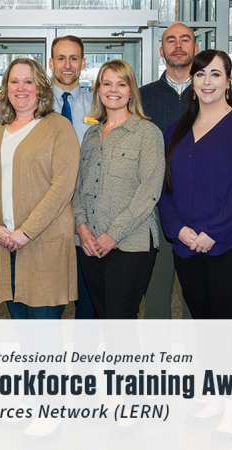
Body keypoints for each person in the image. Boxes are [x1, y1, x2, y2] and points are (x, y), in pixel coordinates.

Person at [158, 50, 232, 319]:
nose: (207, 81)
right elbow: (164, 187)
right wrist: (177, 229)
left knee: (227, 333)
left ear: (228, 81)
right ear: (192, 81)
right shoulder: (174, 131)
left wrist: (212, 232)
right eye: (200, 74)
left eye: (215, 74)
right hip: (188, 246)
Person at [0, 58, 79, 319]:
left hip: (43, 245)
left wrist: (25, 232)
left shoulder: (59, 127)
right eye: (14, 81)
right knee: (21, 329)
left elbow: (62, 187)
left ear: (41, 87)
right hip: (3, 246)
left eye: (28, 81)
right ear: (6, 88)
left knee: (43, 334)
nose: (21, 88)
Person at [73, 59, 164, 319]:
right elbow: (79, 189)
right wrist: (81, 229)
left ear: (131, 90)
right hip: (89, 244)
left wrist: (113, 235)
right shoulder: (91, 135)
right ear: (98, 90)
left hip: (130, 245)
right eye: (107, 83)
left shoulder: (147, 132)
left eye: (121, 84)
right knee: (103, 318)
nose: (114, 90)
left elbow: (150, 192)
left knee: (120, 321)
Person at [139, 22, 198, 318]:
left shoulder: (210, 95)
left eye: (185, 39)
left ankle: (198, 363)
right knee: (157, 298)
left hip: (201, 214)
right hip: (156, 211)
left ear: (195, 48)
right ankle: (158, 361)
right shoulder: (141, 97)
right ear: (161, 51)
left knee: (198, 298)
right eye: (171, 40)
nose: (178, 45)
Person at [49, 34, 96, 319]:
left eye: (74, 58)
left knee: (87, 299)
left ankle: (84, 362)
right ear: (51, 62)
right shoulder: (35, 105)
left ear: (83, 62)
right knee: (49, 295)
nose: (68, 65)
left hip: (86, 212)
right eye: (61, 58)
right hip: (48, 211)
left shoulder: (97, 104)